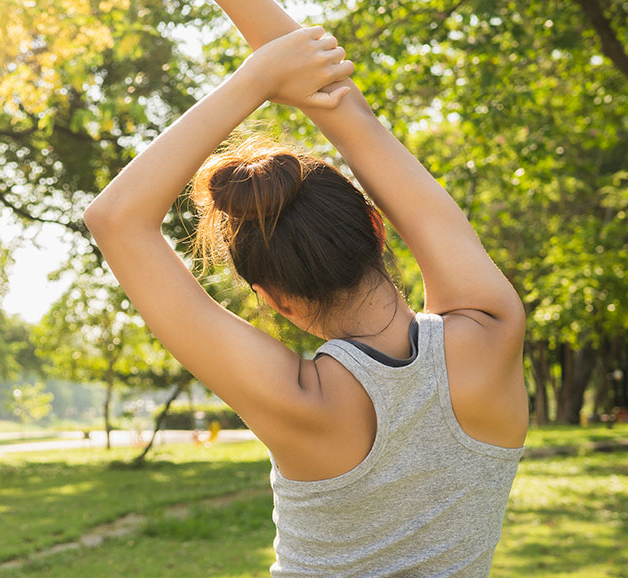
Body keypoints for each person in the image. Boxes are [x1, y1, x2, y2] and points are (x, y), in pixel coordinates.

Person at [81, 1, 529, 575]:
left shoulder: (298, 400)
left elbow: (116, 219)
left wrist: (259, 78)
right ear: (375, 224)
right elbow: (350, 116)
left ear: (273, 297)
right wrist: (263, 74)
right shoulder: (492, 329)